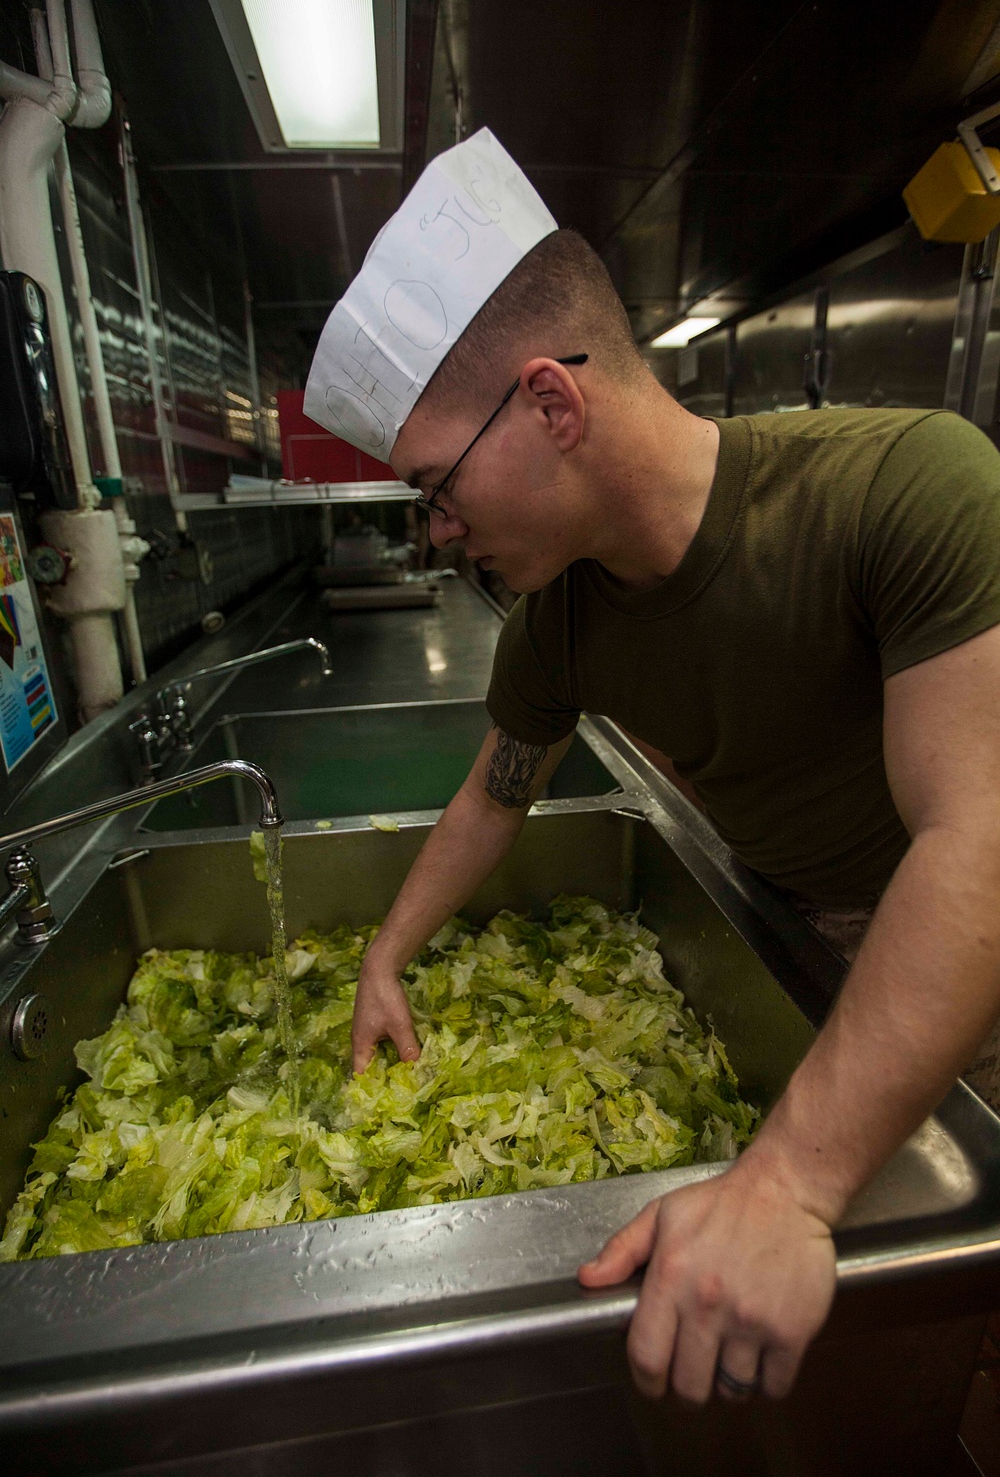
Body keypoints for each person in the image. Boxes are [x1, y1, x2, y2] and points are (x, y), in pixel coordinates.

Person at [305, 130, 1000, 1408]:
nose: (438, 534)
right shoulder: (562, 621)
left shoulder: (906, 488)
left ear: (552, 404)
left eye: (437, 490)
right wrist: (384, 955)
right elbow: (492, 793)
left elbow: (982, 838)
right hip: (794, 950)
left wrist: (786, 1183)